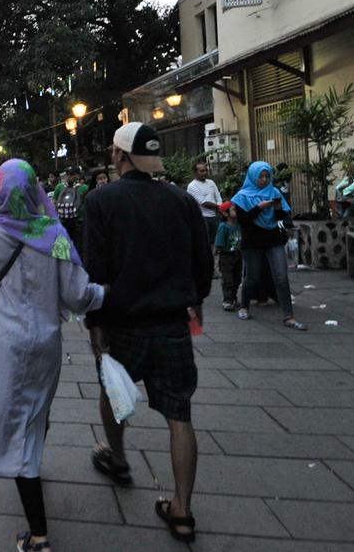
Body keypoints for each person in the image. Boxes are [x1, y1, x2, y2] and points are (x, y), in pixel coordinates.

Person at [0, 159, 104, 552]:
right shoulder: (52, 232)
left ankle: (39, 535)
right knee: (35, 413)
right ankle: (32, 461)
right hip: (45, 340)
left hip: (1, 343)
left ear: (1, 190)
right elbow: (77, 295)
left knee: (14, 426)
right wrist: (109, 294)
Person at [82, 122, 212, 544]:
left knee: (114, 393)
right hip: (173, 323)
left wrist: (95, 325)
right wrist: (195, 300)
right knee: (180, 416)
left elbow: (95, 272)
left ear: (120, 157)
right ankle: (182, 510)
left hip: (122, 324)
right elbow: (202, 265)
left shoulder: (101, 201)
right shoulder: (182, 200)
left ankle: (118, 458)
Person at [232, 162, 306, 330]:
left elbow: (280, 217)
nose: (264, 180)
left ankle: (289, 315)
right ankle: (244, 306)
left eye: (267, 176)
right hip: (252, 242)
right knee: (252, 277)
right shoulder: (242, 196)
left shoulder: (274, 192)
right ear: (253, 176)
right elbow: (242, 220)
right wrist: (258, 207)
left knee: (281, 275)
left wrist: (279, 208)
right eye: (261, 177)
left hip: (273, 239)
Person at [186, 161, 223, 250]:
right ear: (195, 172)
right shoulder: (192, 186)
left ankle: (216, 262)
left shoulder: (211, 182)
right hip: (203, 218)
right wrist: (220, 207)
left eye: (206, 170)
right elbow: (203, 203)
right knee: (205, 243)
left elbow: (218, 196)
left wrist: (220, 206)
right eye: (202, 171)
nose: (205, 173)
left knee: (217, 242)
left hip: (215, 216)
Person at [52, 167, 90, 253]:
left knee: (68, 246)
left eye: (72, 174)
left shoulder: (60, 187)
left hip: (68, 221)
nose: (70, 176)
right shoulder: (83, 187)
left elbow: (54, 203)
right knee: (78, 246)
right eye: (69, 174)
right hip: (77, 221)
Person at [215, 202, 243, 311]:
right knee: (228, 279)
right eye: (233, 210)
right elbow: (219, 244)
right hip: (226, 257)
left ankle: (233, 298)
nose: (236, 212)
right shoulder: (223, 227)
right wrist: (216, 258)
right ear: (225, 214)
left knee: (237, 278)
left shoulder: (239, 225)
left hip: (238, 255)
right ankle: (227, 300)